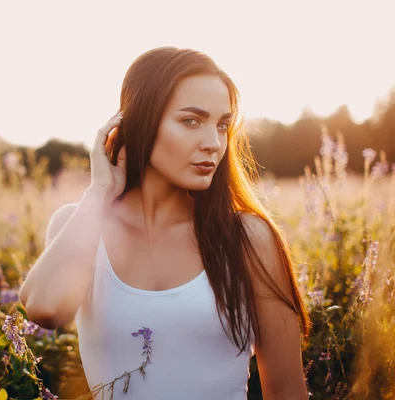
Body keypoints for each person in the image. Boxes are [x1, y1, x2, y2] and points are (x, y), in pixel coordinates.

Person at [19, 46, 311, 399]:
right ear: (141, 121)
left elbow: (287, 391)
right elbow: (45, 308)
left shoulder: (246, 237)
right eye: (191, 121)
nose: (213, 143)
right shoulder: (80, 222)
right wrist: (99, 192)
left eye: (222, 125)